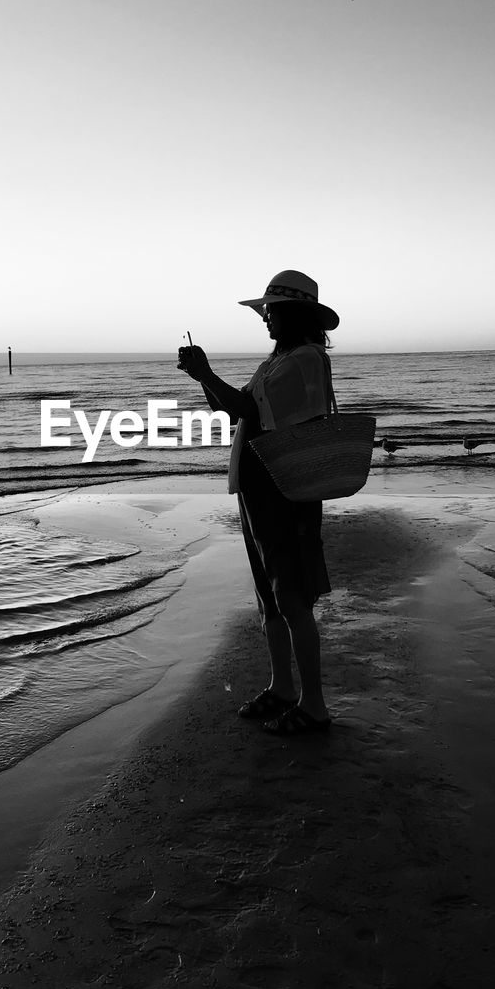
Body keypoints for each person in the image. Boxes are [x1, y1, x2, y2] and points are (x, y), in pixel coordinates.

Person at [178, 269, 339, 735]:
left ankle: (314, 705)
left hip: (284, 488)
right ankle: (284, 688)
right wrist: (200, 376)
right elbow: (229, 407)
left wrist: (205, 372)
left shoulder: (304, 359)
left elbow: (250, 411)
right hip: (259, 487)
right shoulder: (278, 361)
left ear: (291, 314)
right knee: (270, 597)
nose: (265, 318)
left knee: (290, 596)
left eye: (270, 311)